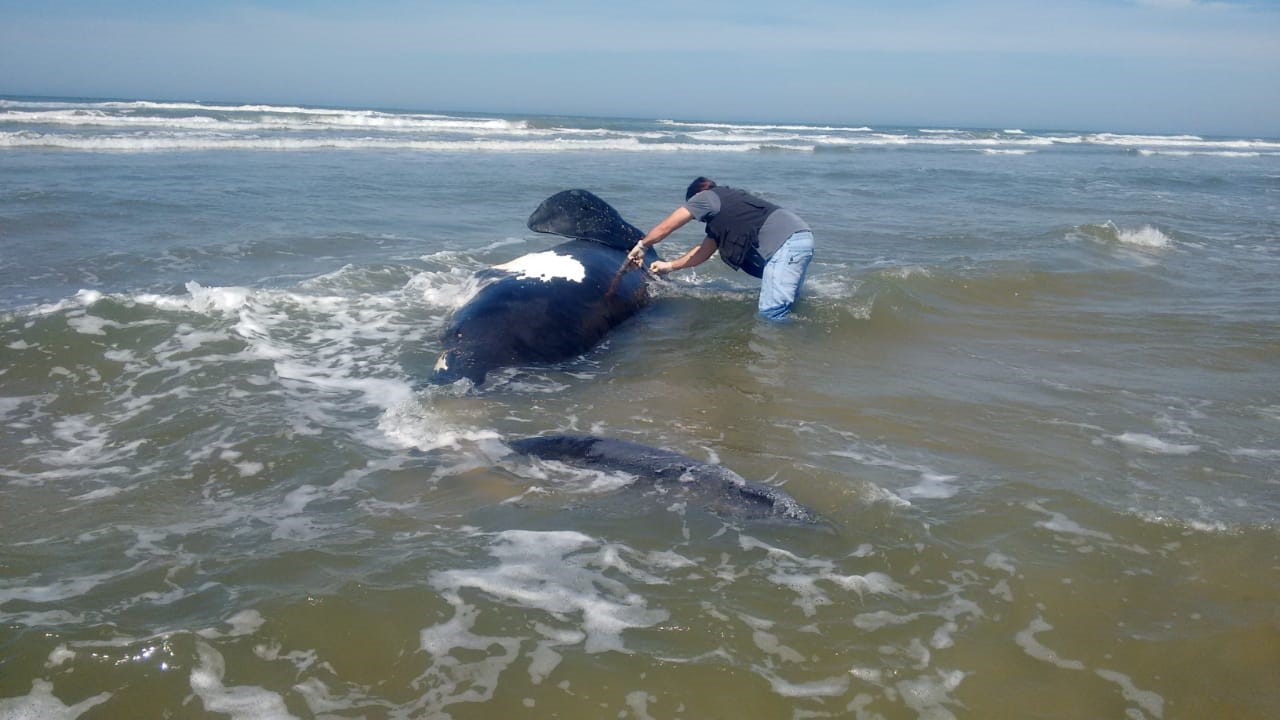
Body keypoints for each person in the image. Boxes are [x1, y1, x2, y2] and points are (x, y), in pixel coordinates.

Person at [626, 176, 814, 320]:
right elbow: (703, 252)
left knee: (771, 313)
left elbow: (667, 226)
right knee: (789, 304)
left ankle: (778, 360)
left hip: (786, 244)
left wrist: (643, 245)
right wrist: (669, 266)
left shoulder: (705, 198)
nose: (698, 218)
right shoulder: (728, 207)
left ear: (696, 196)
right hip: (800, 237)